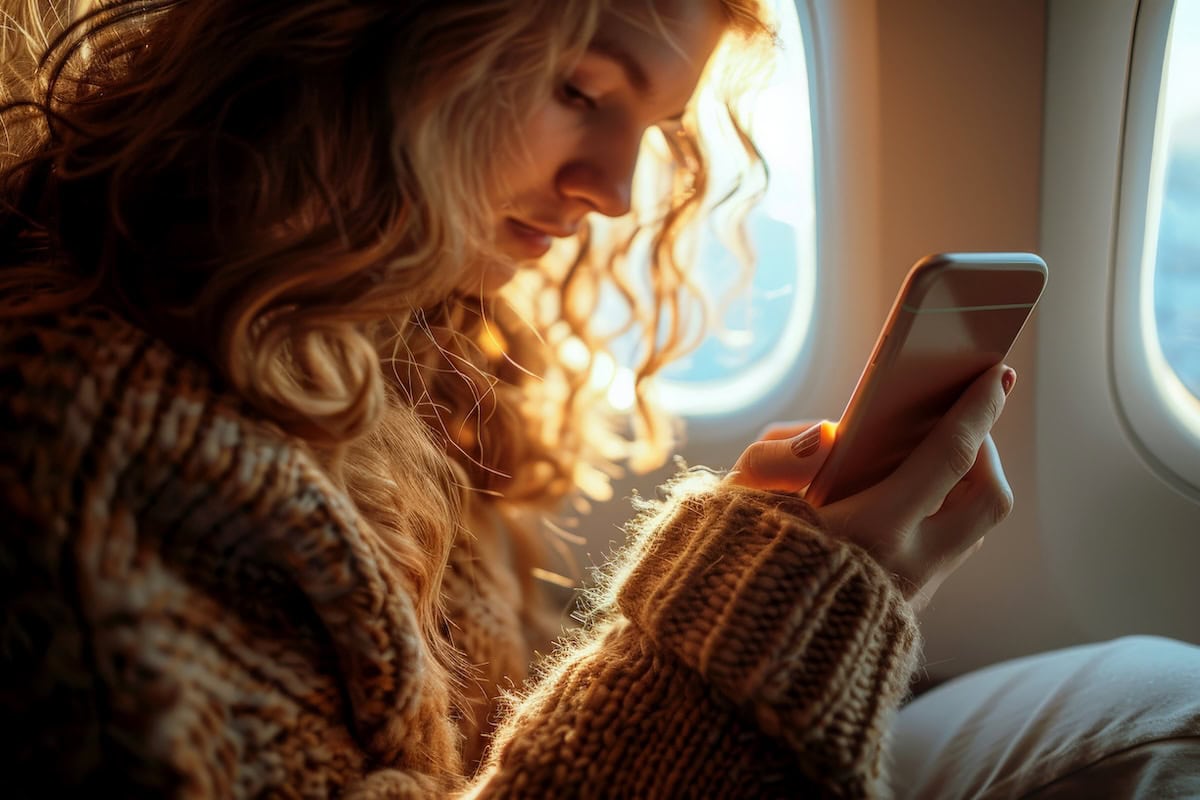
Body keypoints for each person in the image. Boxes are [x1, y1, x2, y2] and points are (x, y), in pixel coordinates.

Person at [1, 1, 1198, 798]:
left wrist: (770, 586)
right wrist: (785, 610)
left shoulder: (399, 325)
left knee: (1162, 685)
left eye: (651, 126)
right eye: (581, 89)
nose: (618, 190)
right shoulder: (109, 457)